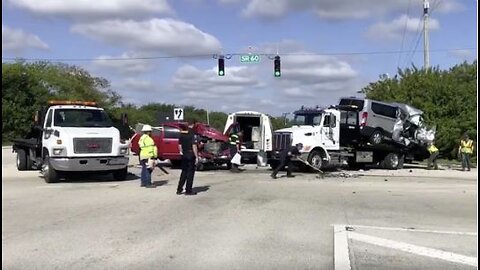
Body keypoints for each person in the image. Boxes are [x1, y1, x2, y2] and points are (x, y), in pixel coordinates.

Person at [177, 122, 199, 195]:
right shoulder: (193, 134)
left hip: (184, 154)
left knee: (184, 172)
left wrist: (181, 152)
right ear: (192, 125)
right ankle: (188, 190)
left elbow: (179, 145)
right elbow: (194, 146)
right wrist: (196, 156)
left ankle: (179, 189)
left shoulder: (182, 133)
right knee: (190, 173)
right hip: (190, 154)